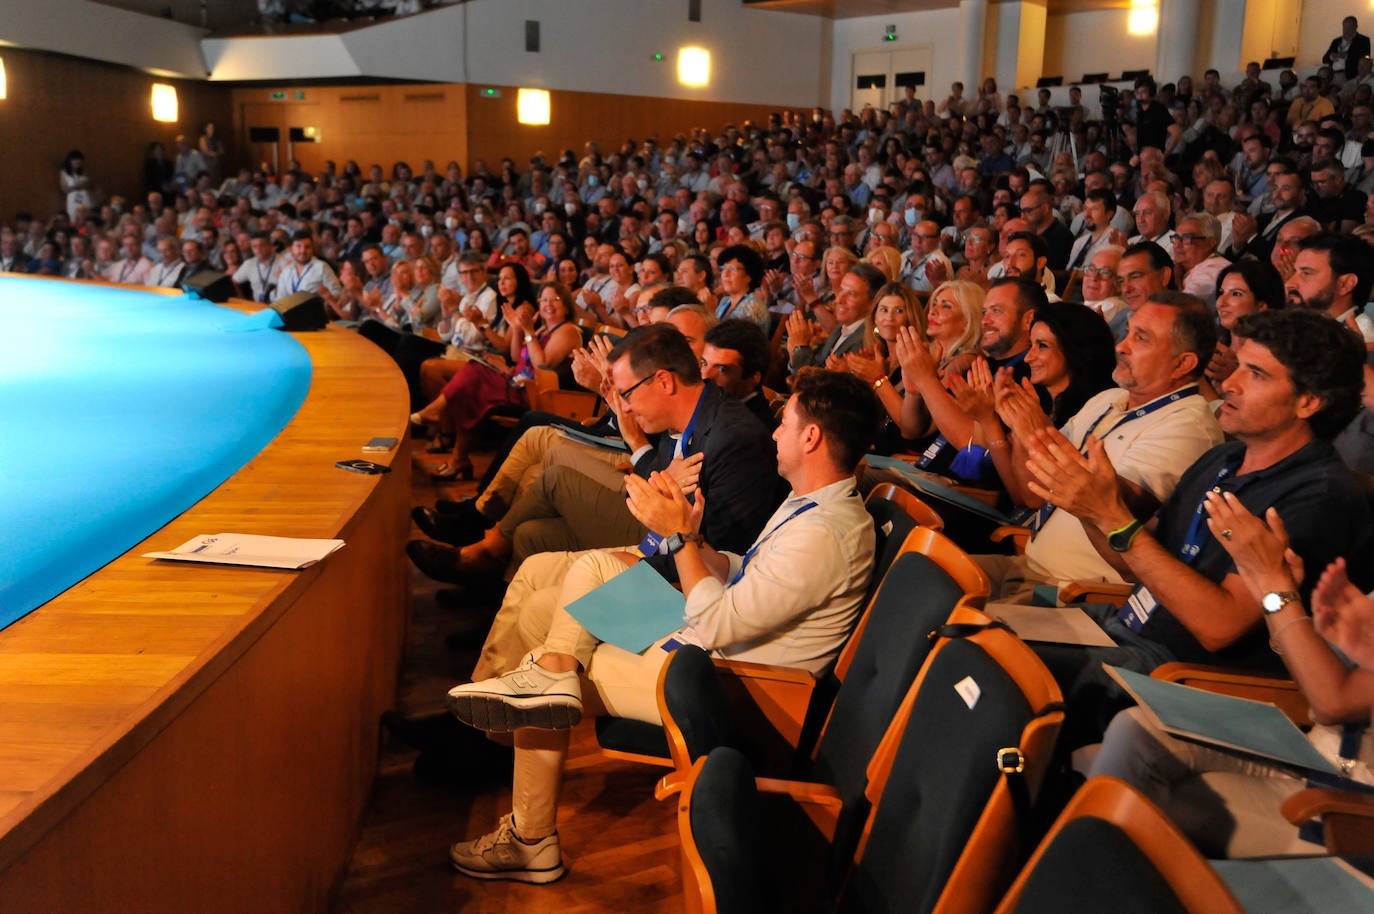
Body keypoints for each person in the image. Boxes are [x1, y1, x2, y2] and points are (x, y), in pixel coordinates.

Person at [442, 368, 882, 884]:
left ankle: (529, 839)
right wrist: (694, 537)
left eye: (784, 423)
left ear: (811, 437)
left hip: (730, 683)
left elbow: (718, 625)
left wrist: (678, 541)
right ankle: (532, 697)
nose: (774, 433)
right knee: (588, 575)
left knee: (542, 671)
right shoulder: (813, 502)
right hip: (707, 643)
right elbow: (747, 574)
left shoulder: (826, 534)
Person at [1022, 308, 1374, 746]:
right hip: (1121, 624)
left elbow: (1218, 626)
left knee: (1002, 675)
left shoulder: (1318, 497)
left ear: (1307, 402)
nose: (1229, 383)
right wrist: (1090, 506)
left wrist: (1113, 517)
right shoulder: (1223, 460)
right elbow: (1134, 565)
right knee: (974, 631)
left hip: (1178, 674)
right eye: (1239, 366)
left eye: (1257, 374)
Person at [975, 292, 1223, 600]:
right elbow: (1032, 494)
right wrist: (1025, 433)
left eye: (1141, 338)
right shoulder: (1107, 399)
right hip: (1026, 564)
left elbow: (1114, 505)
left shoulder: (1188, 426)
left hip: (1075, 591)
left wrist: (1036, 431)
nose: (1121, 346)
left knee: (946, 626)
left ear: (1182, 363)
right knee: (915, 569)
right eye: (1128, 331)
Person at [410, 281, 580, 482]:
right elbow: (517, 358)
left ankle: (437, 416)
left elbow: (542, 365)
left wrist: (527, 332)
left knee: (475, 376)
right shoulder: (543, 328)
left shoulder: (567, 331)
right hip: (517, 382)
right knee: (474, 377)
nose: (548, 304)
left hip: (535, 393)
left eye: (554, 299)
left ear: (566, 305)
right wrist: (516, 330)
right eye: (543, 299)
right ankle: (458, 458)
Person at [786, 262, 884, 373]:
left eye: (851, 294)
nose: (839, 300)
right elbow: (818, 366)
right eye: (841, 290)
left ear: (872, 303)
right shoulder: (842, 327)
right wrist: (797, 350)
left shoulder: (866, 342)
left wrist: (800, 347)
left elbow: (819, 386)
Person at [1205, 260, 1286, 389]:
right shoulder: (1210, 348)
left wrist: (1237, 371)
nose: (1221, 302)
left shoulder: (1279, 358)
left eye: (1236, 294)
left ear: (1261, 306)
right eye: (1221, 293)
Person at [1285, 232, 1374, 346]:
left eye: (1306, 273)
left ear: (1345, 284)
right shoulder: (1301, 327)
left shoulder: (1364, 345)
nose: (1289, 283)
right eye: (1294, 271)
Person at [713, 243, 769, 330]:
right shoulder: (725, 301)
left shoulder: (752, 307)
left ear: (749, 276)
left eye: (732, 269)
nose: (725, 274)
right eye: (723, 268)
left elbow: (728, 339)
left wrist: (709, 313)